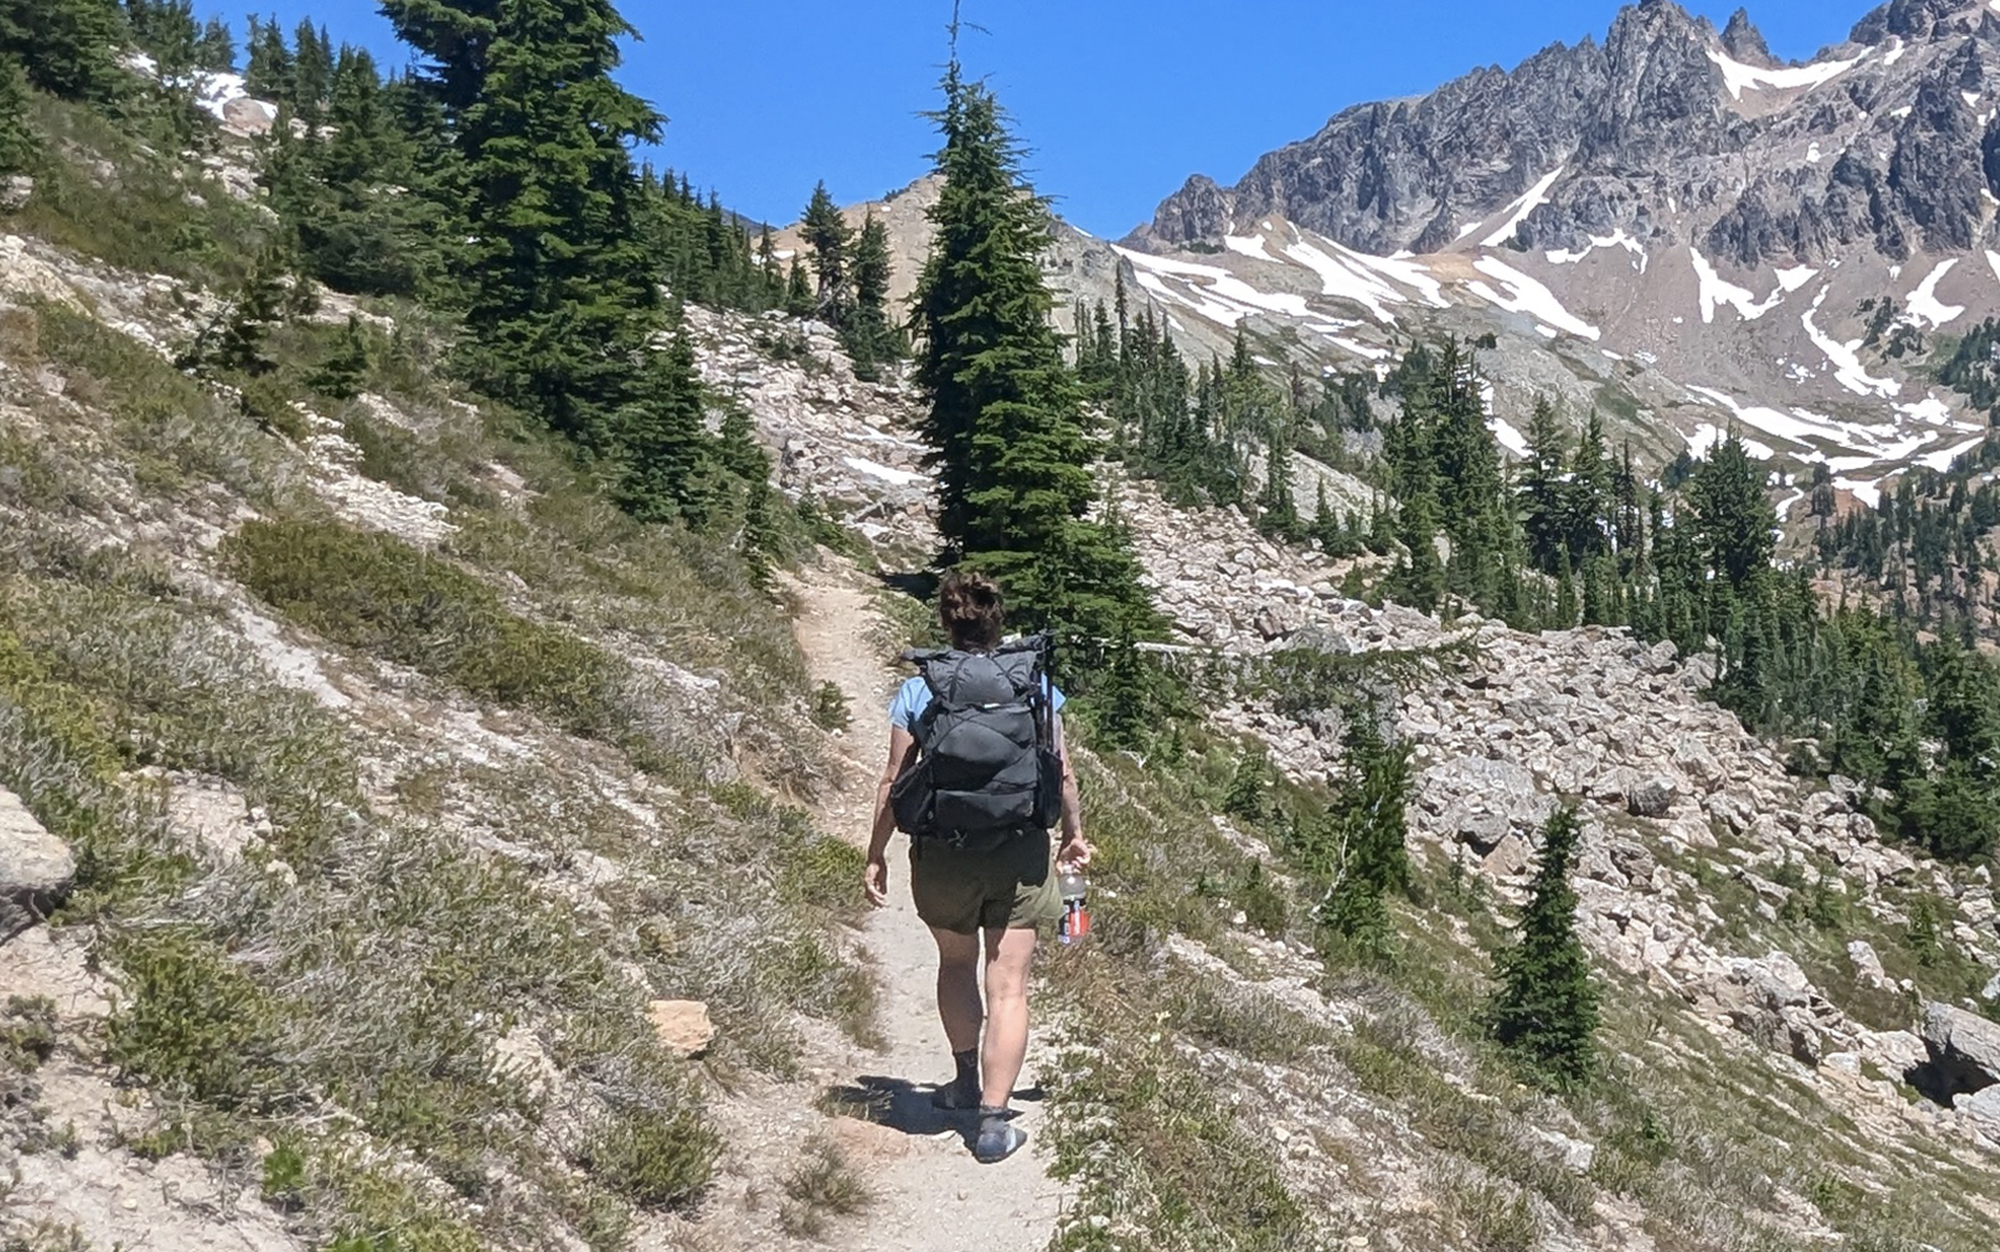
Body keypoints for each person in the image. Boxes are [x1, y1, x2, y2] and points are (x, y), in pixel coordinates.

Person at [863, 571, 1090, 1165]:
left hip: (942, 853)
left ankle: (963, 1081)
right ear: (997, 622)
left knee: (956, 964)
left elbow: (893, 782)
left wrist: (875, 852)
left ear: (946, 622)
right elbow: (1060, 771)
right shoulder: (1034, 684)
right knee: (1008, 983)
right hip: (1017, 851)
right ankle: (994, 1120)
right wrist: (1074, 835)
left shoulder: (920, 690)